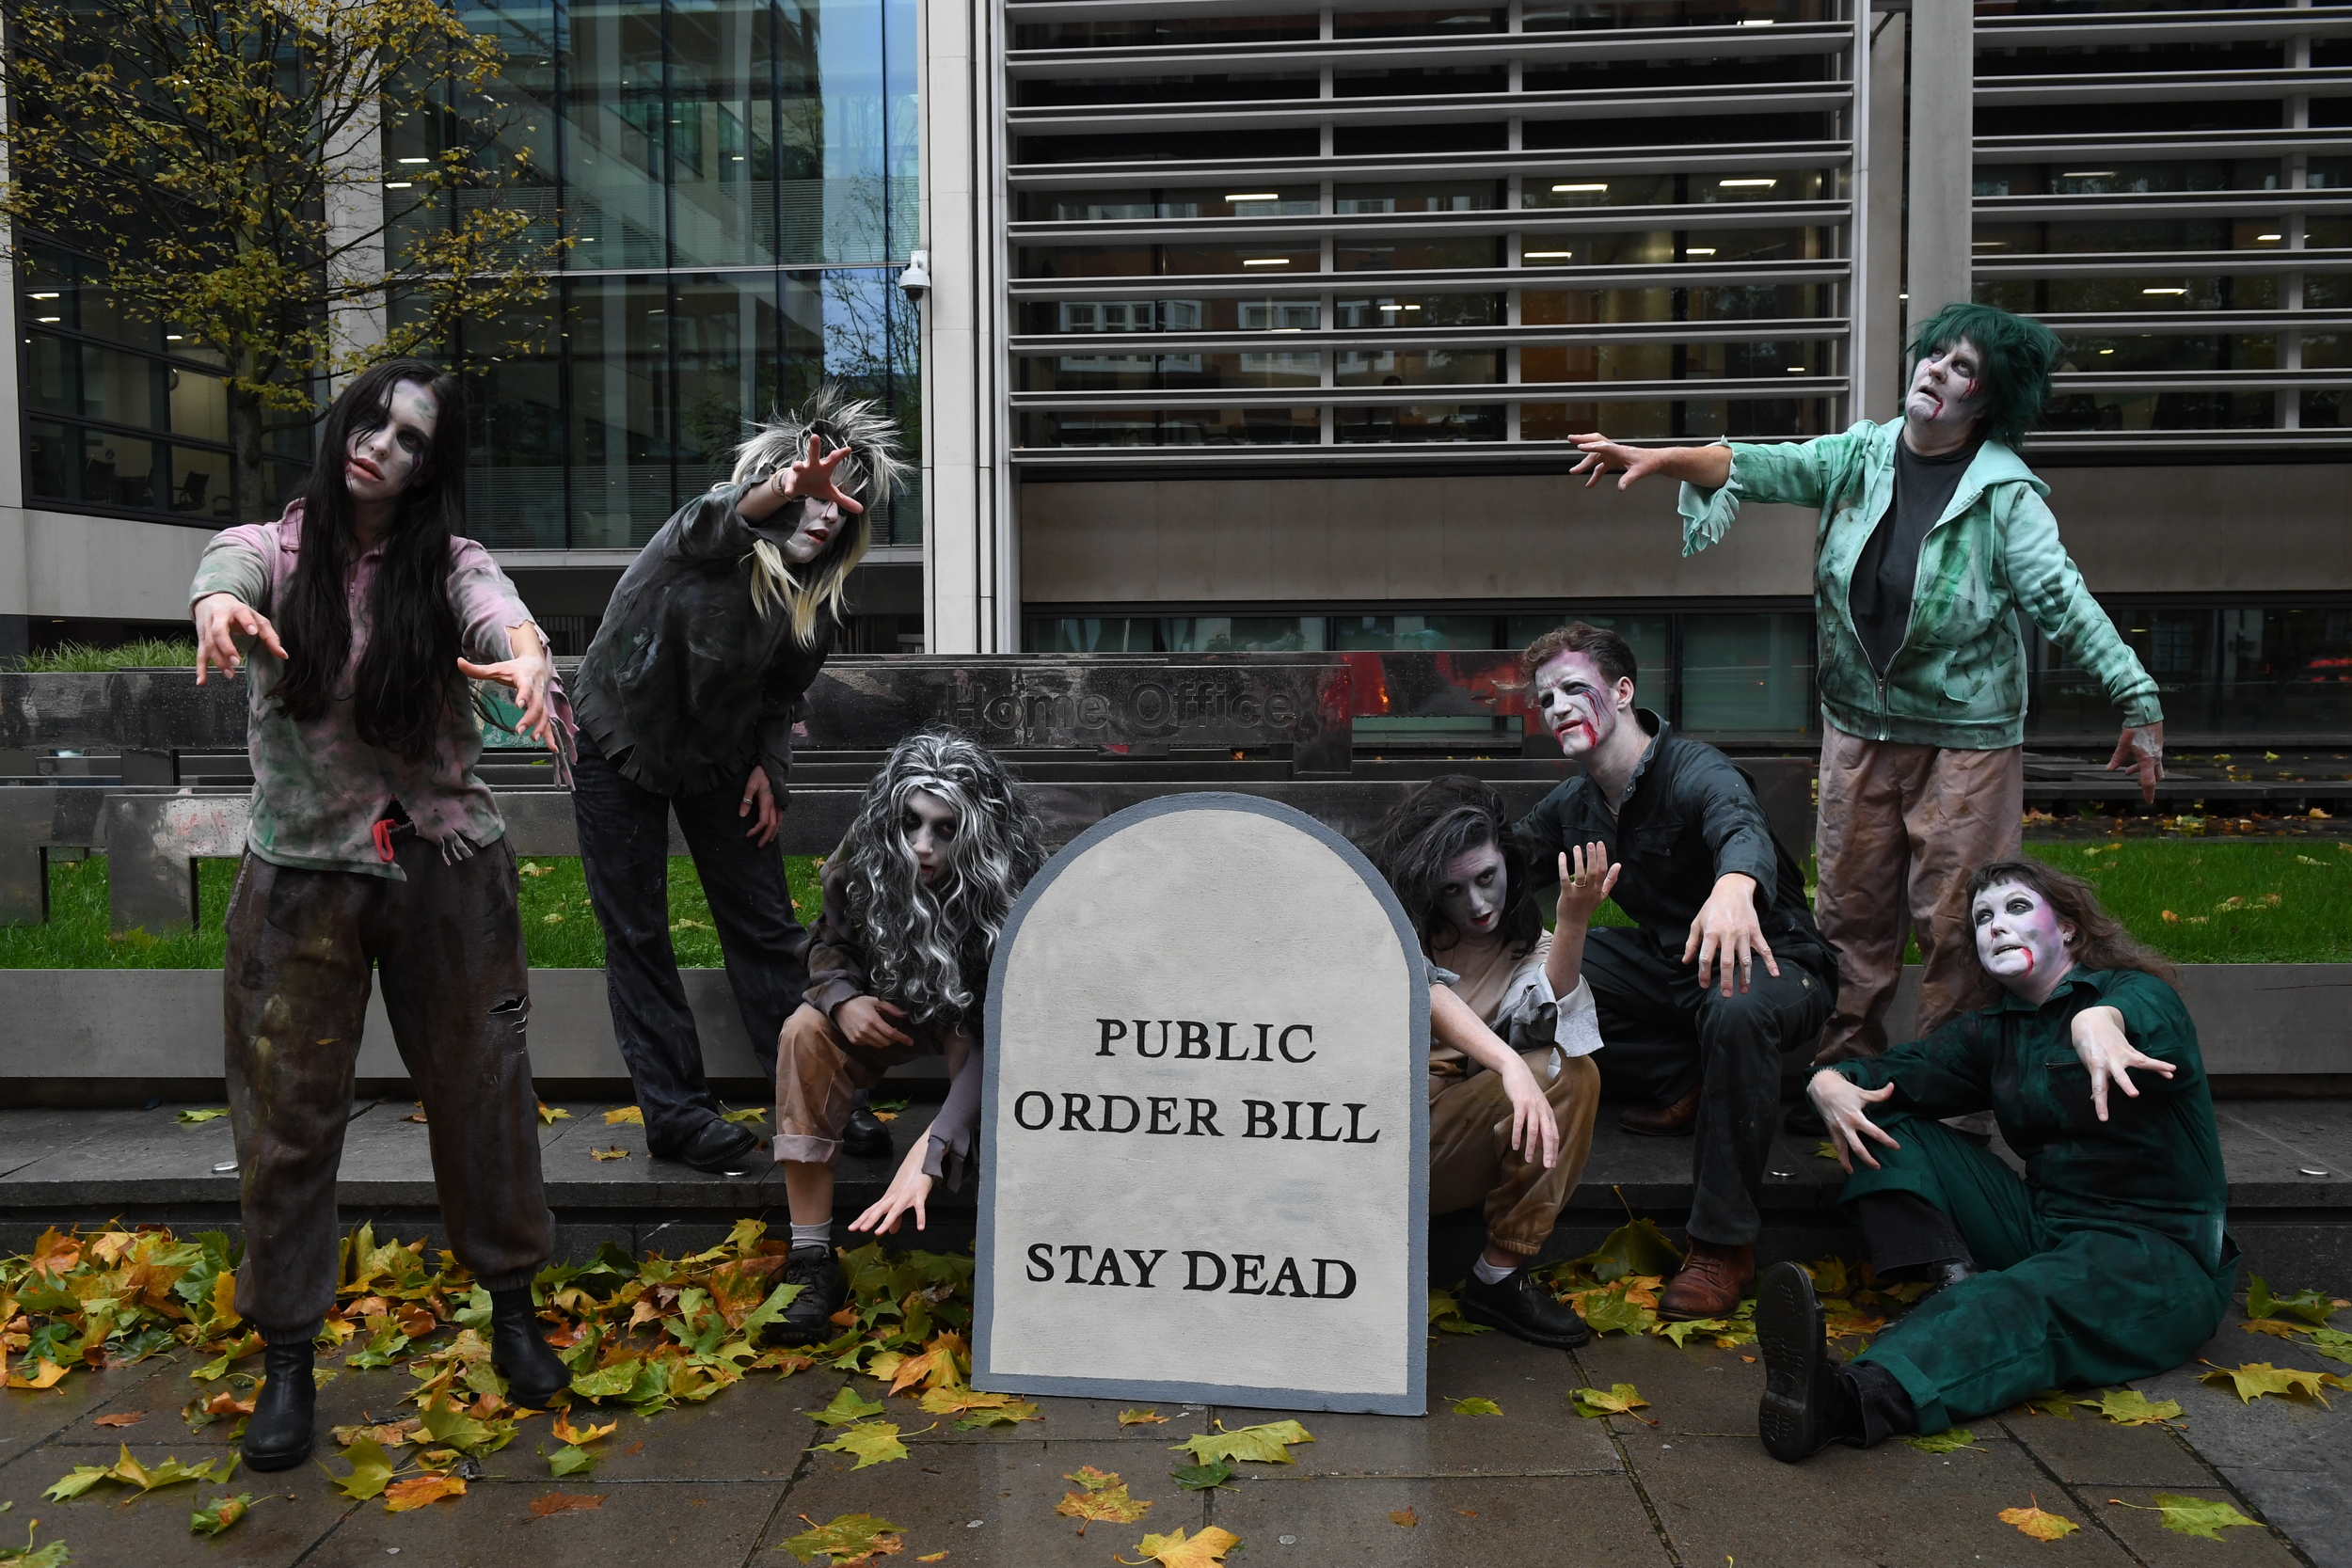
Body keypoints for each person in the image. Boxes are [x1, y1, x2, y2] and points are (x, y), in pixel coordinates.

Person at [1566, 303, 2163, 1097]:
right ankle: (1842, 1076)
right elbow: (1759, 464)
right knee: (1849, 913)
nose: (1935, 370)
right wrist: (1660, 457)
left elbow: (2063, 600)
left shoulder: (2004, 496)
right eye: (1934, 354)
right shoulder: (1861, 456)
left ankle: (1949, 1092)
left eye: (1962, 367)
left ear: (1987, 399)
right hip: (1857, 728)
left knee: (1959, 921)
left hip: (1966, 741)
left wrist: (2136, 694)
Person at [188, 358, 575, 1470]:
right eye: (372, 421)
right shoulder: (270, 550)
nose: (382, 446)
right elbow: (223, 572)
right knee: (286, 1117)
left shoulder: (449, 561)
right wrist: (218, 609)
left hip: (446, 870)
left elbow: (500, 611)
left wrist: (527, 658)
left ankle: (513, 1308)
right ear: (342, 424)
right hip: (299, 879)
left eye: (411, 439)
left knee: (484, 1090)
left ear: (428, 466)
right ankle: (286, 1355)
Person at [1757, 860, 2230, 1460]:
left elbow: (2139, 1014)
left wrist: (2099, 1022)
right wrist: (1827, 1083)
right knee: (1879, 1117)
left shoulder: (2136, 995)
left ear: (2070, 929)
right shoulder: (1995, 1031)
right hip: (2042, 1227)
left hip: (2155, 1256)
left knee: (2024, 1300)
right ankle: (1951, 1278)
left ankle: (1849, 1401)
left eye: (2017, 908)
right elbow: (1889, 1077)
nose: (1996, 926)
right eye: (1983, 917)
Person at [570, 387, 908, 1175]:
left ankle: (816, 1091)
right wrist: (786, 483)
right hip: (615, 739)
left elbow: (779, 695)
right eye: (815, 491)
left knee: (764, 927)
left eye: (844, 500)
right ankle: (678, 1115)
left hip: (719, 758)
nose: (828, 512)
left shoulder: (816, 604)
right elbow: (715, 516)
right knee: (637, 932)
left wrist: (768, 767)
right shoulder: (699, 542)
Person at [1511, 622, 1836, 1320]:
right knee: (1537, 967)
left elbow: (1739, 825)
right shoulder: (1575, 805)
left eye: (1575, 688)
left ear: (1623, 691)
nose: (1558, 707)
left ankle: (1722, 1244)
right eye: (1546, 699)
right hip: (1673, 966)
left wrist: (1734, 887)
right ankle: (1684, 1075)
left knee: (1736, 1004)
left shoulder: (1695, 769)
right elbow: (1504, 867)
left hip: (1774, 963)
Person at [769, 731, 1048, 1344]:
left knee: (980, 1051)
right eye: (911, 823)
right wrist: (842, 1001)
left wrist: (936, 1141)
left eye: (945, 830)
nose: (922, 845)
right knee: (804, 1031)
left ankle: (1002, 1243)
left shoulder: (1016, 880)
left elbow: (1004, 1034)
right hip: (887, 1005)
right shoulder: (866, 851)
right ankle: (810, 1257)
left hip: (975, 1023)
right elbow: (830, 943)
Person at [1360, 778, 1612, 1347]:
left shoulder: (1523, 945)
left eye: (1485, 878)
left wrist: (1573, 921)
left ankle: (1498, 1274)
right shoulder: (1387, 923)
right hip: (1356, 1141)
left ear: (1509, 865)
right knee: (1529, 1070)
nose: (1476, 904)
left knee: (1569, 1072)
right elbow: (1424, 987)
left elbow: (1550, 1010)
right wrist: (1508, 1066)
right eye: (1452, 889)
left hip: (1437, 1145)